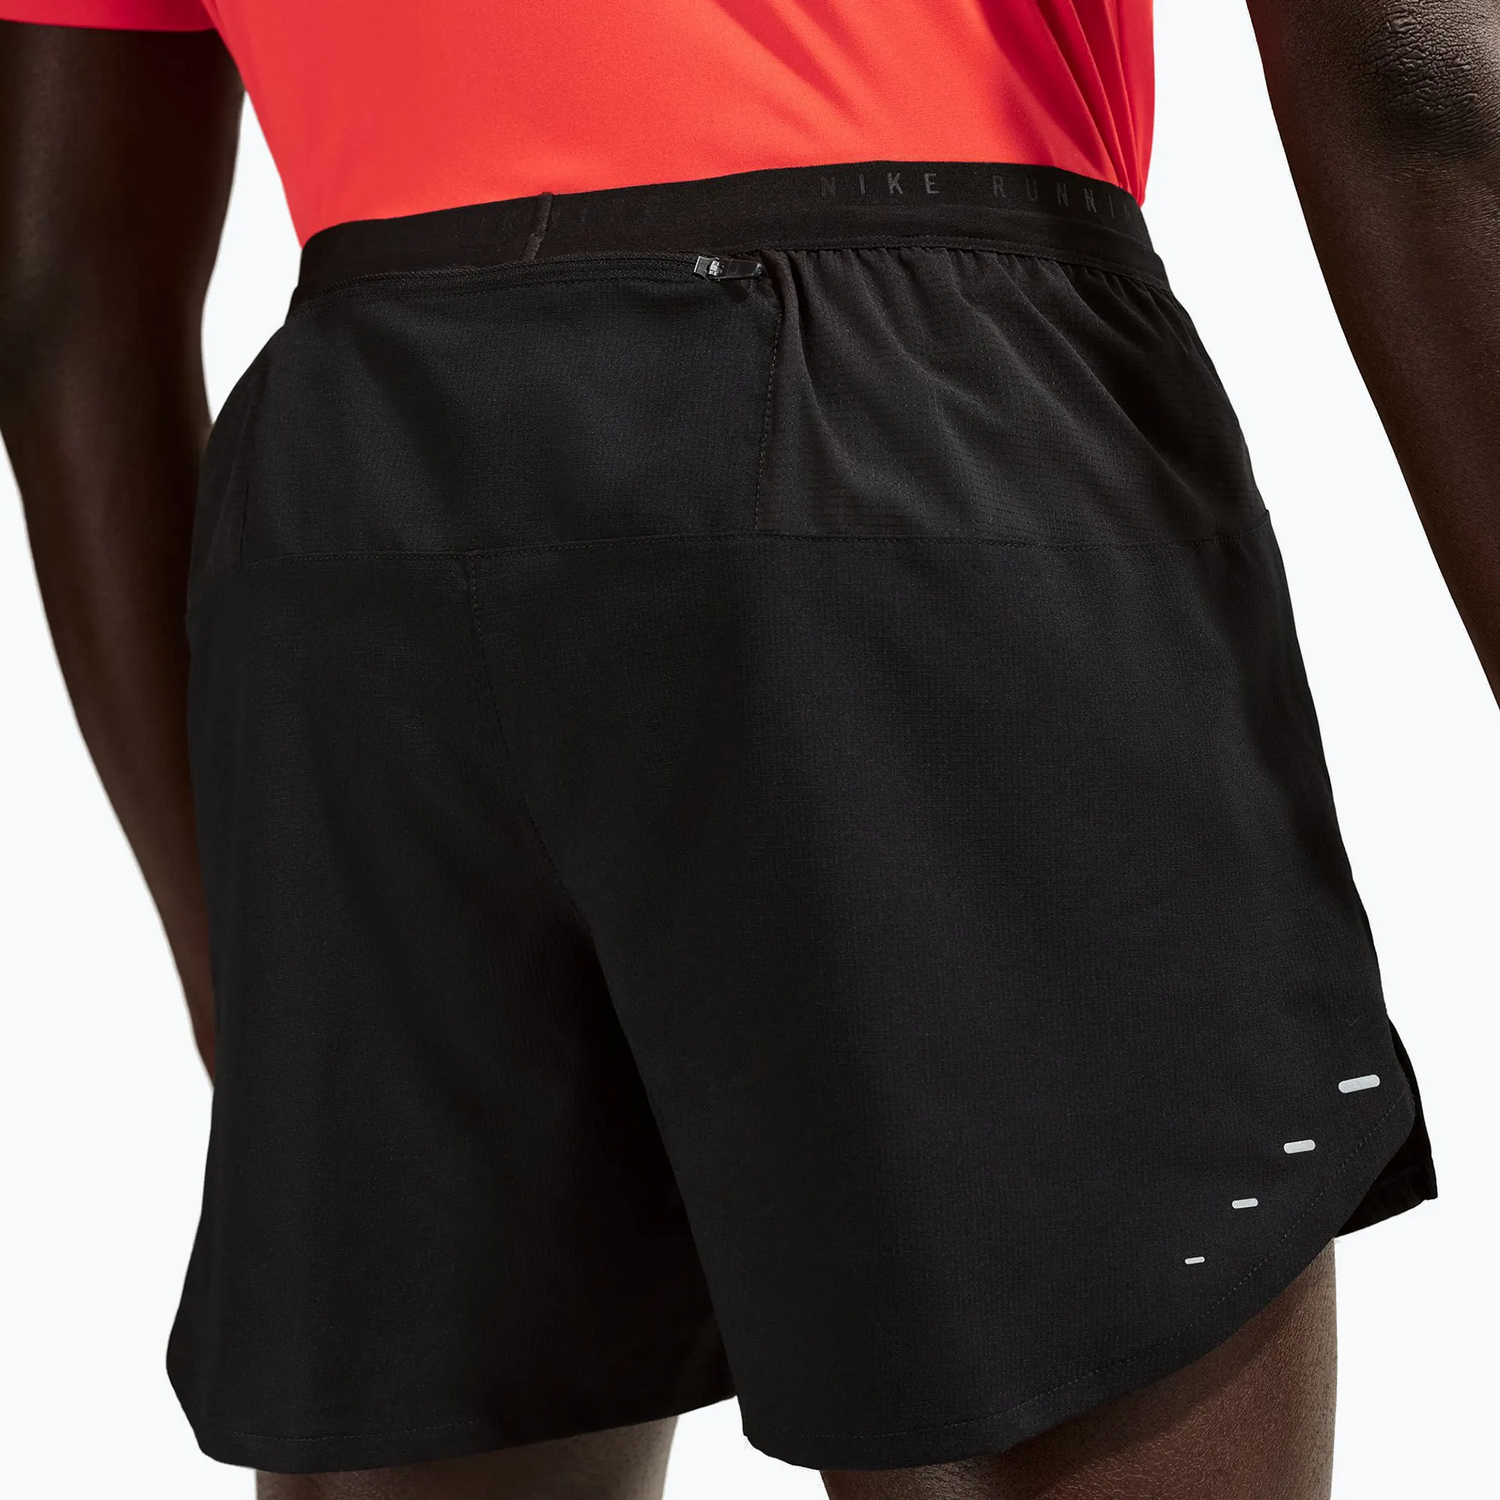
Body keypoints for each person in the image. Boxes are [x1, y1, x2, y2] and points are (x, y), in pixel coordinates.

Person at [2, 1, 1488, 1495]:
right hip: (908, 436)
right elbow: (1416, 79)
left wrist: (240, 956)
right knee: (1036, 1401)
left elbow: (55, 300)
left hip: (350, 514)